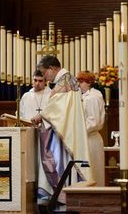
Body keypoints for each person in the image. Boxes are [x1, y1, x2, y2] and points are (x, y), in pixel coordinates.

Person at [31, 55, 92, 204]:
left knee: (59, 162)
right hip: (67, 130)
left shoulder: (65, 80)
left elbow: (58, 108)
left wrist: (41, 115)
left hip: (65, 133)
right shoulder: (66, 79)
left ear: (52, 68)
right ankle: (66, 197)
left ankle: (65, 198)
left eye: (45, 73)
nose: (45, 78)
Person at [77, 71, 105, 186]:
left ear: (88, 83)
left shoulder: (92, 98)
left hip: (90, 139)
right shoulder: (84, 96)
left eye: (81, 81)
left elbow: (93, 122)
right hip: (86, 139)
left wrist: (77, 130)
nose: (79, 84)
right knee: (87, 170)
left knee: (93, 171)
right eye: (78, 81)